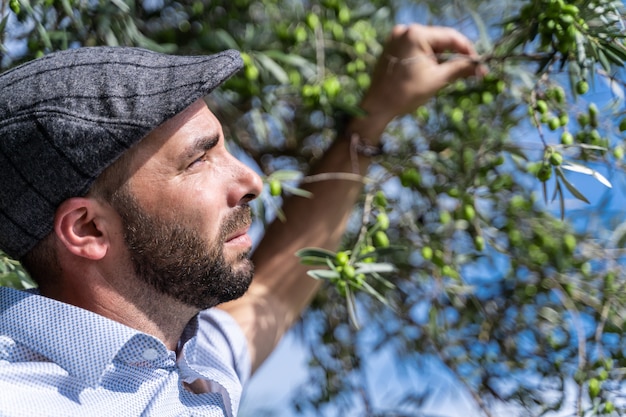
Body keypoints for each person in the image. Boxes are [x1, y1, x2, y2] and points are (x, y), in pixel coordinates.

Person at [0, 24, 482, 416]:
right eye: (198, 160)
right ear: (88, 229)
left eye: (224, 146)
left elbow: (274, 288)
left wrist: (372, 118)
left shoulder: (193, 359)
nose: (253, 179)